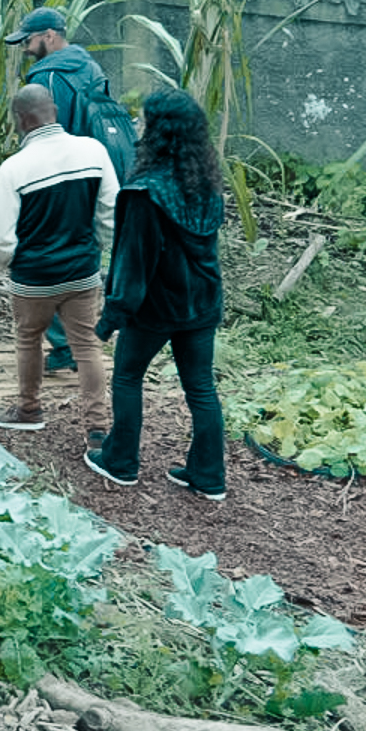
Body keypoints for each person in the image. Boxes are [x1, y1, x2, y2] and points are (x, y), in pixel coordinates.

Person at [88, 89, 228, 500]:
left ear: (160, 130)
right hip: (202, 304)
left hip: (155, 308)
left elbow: (134, 265)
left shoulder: (145, 194)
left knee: (128, 376)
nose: (136, 125)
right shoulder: (205, 184)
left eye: (143, 119)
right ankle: (209, 477)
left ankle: (120, 462)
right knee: (201, 388)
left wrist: (110, 318)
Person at [0, 84, 118, 444]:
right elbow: (111, 212)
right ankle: (97, 427)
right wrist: (96, 247)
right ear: (53, 111)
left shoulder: (15, 168)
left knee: (28, 339)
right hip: (82, 272)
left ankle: (28, 409)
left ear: (22, 121)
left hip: (34, 277)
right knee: (87, 346)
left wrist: (7, 261)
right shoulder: (93, 151)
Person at [5, 5, 117, 374]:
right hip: (94, 169)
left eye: (29, 40)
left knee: (42, 255)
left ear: (50, 36)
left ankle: (68, 344)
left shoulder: (49, 78)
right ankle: (79, 339)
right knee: (82, 252)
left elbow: (48, 129)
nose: (24, 48)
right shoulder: (90, 67)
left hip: (59, 177)